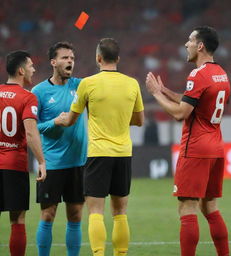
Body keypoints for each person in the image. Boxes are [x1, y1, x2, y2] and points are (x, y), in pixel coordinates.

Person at [146, 26, 230, 256]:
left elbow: (181, 113)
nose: (186, 44)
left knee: (187, 206)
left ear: (200, 45)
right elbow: (195, 103)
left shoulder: (198, 74)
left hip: (195, 149)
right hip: (216, 147)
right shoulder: (221, 73)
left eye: (190, 40)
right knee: (210, 206)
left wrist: (154, 93)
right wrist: (165, 91)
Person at [60, 38, 144, 256]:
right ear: (118, 58)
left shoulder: (88, 84)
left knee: (95, 211)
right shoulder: (132, 84)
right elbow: (139, 120)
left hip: (98, 153)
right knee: (120, 212)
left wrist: (60, 119)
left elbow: (71, 119)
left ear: (98, 58)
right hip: (124, 153)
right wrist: (119, 116)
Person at [31, 42, 87, 256]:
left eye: (72, 58)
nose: (70, 61)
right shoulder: (39, 91)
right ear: (53, 62)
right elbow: (32, 127)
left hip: (77, 162)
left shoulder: (81, 86)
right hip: (51, 163)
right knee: (47, 215)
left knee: (75, 215)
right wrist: (54, 122)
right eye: (64, 58)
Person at [0, 50, 46, 256]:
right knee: (17, 220)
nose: (33, 69)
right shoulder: (28, 98)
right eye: (30, 65)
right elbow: (30, 131)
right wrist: (42, 161)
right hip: (14, 165)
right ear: (20, 70)